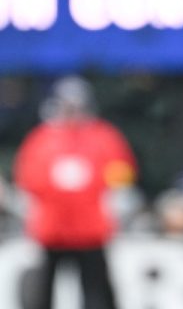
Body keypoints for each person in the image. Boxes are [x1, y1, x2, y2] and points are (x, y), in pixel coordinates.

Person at [14, 76, 137, 309]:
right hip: (52, 231)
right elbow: (27, 179)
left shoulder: (103, 136)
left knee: (97, 292)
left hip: (91, 230)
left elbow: (121, 175)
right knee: (42, 292)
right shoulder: (41, 139)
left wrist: (113, 197)